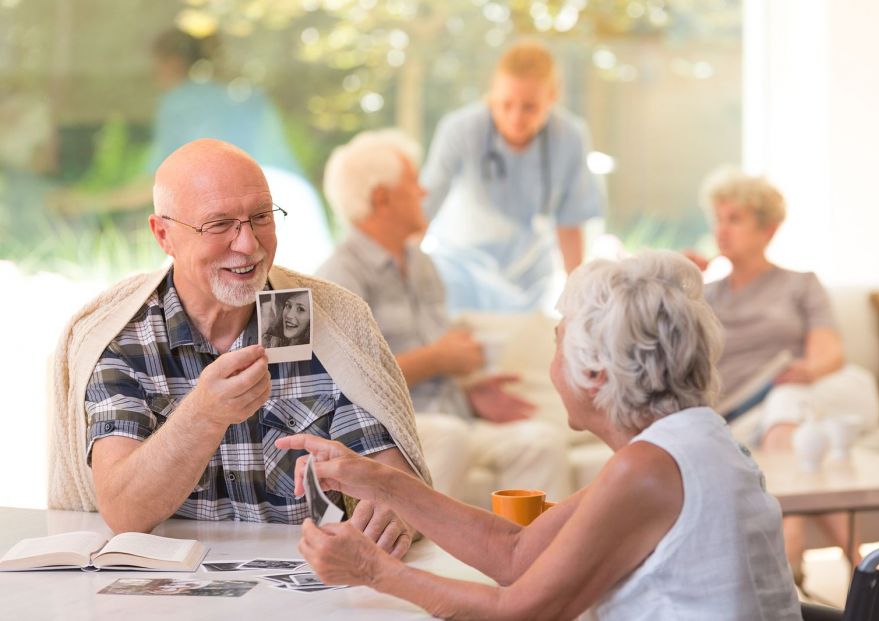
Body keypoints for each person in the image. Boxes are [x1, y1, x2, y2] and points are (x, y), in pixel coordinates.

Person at [278, 251, 801, 620]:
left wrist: (372, 570)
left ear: (594, 374)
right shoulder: (685, 442)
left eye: (556, 345)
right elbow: (516, 552)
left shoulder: (649, 469)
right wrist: (376, 479)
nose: (549, 366)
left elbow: (521, 612)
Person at [48, 139, 430, 561]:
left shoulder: (323, 321)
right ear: (163, 235)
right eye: (219, 224)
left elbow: (397, 481)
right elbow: (124, 512)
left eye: (261, 217)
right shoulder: (123, 336)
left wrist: (393, 510)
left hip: (309, 586)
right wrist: (203, 415)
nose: (248, 245)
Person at [316, 129, 571, 502]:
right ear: (381, 198)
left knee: (540, 441)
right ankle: (423, 558)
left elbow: (441, 358)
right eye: (413, 183)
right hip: (393, 432)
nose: (423, 192)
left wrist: (469, 392)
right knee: (450, 436)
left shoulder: (422, 264)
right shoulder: (339, 275)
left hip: (453, 418)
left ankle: (539, 558)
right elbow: (347, 385)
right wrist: (437, 359)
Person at [686, 167, 879, 582]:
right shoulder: (705, 295)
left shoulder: (799, 284)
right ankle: (864, 566)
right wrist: (682, 285)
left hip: (808, 392)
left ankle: (790, 549)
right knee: (800, 433)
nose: (722, 230)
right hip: (743, 414)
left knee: (786, 403)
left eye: (735, 219)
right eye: (718, 219)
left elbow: (829, 352)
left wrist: (807, 369)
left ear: (768, 230)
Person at [50, 27, 332, 274]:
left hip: (247, 208)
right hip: (295, 204)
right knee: (295, 317)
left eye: (153, 67)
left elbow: (156, 185)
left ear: (170, 63)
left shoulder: (179, 103)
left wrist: (83, 203)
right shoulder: (242, 95)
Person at [420, 39, 605, 312]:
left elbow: (569, 223)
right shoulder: (460, 130)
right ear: (492, 94)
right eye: (505, 104)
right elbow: (423, 209)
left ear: (551, 97)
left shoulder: (570, 137)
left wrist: (578, 302)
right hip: (460, 270)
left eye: (529, 107)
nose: (516, 116)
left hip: (529, 278)